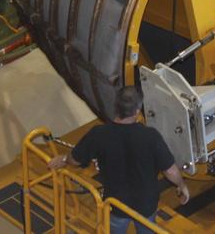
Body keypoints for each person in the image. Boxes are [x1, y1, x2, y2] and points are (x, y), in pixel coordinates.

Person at [48, 86, 189, 233]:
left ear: (115, 107)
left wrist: (64, 159)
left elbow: (75, 159)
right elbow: (170, 170)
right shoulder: (150, 136)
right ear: (137, 111)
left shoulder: (99, 134)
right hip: (146, 206)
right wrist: (181, 185)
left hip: (115, 204)